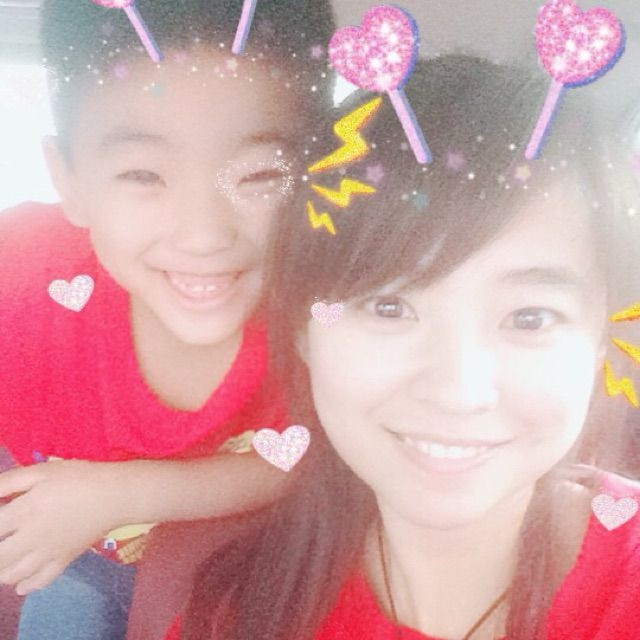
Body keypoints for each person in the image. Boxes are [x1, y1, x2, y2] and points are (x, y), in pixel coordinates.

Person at [164, 55, 640, 640]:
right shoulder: (237, 617)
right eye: (388, 307)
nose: (457, 392)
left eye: (530, 318)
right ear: (303, 330)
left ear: (600, 341)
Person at [0, 1, 334, 639]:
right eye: (143, 174)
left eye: (260, 174)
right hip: (68, 559)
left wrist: (121, 494)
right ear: (69, 180)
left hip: (225, 573)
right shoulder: (23, 271)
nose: (204, 234)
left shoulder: (323, 314)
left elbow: (304, 459)